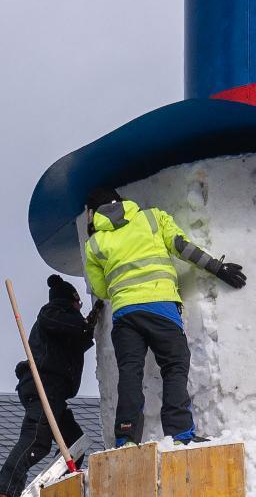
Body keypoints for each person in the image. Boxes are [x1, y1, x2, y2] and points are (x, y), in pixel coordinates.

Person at [81, 190, 245, 447]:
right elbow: (182, 247)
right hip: (161, 308)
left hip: (125, 314)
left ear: (93, 213)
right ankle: (180, 434)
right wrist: (218, 268)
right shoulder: (152, 218)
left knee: (130, 373)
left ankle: (126, 437)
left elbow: (101, 290)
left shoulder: (95, 244)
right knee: (174, 365)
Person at [0, 276, 95, 497]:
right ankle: (3, 492)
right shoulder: (53, 311)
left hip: (53, 391)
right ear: (73, 301)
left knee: (74, 442)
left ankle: (60, 488)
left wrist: (89, 326)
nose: (80, 308)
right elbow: (67, 326)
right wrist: (84, 322)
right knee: (36, 438)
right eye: (78, 304)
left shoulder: (64, 322)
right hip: (44, 386)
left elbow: (77, 339)